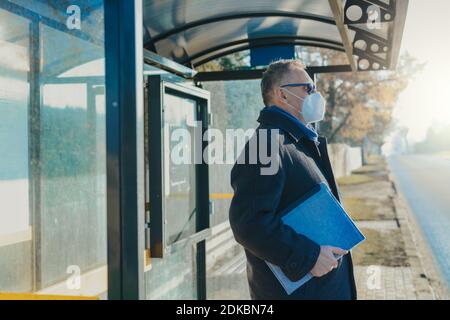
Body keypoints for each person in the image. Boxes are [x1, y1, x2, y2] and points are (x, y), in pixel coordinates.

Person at [228, 59, 357, 300]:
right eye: (308, 88)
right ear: (282, 95)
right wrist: (309, 257)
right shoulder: (267, 144)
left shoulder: (296, 142)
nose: (316, 94)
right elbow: (249, 223)